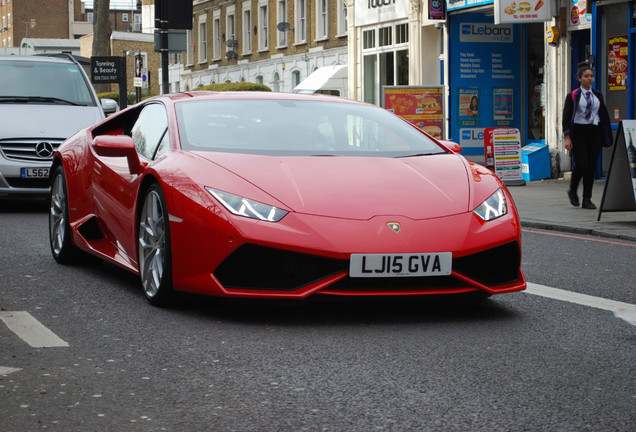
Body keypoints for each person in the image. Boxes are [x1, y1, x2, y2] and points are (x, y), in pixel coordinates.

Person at [562, 62, 613, 209]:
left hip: (594, 132)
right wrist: (567, 136)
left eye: (591, 76)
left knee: (591, 167)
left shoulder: (597, 95)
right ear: (579, 78)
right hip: (579, 132)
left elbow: (603, 116)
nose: (590, 79)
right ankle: (572, 190)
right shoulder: (573, 96)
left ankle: (587, 199)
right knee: (581, 164)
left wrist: (607, 138)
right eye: (586, 76)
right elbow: (566, 118)